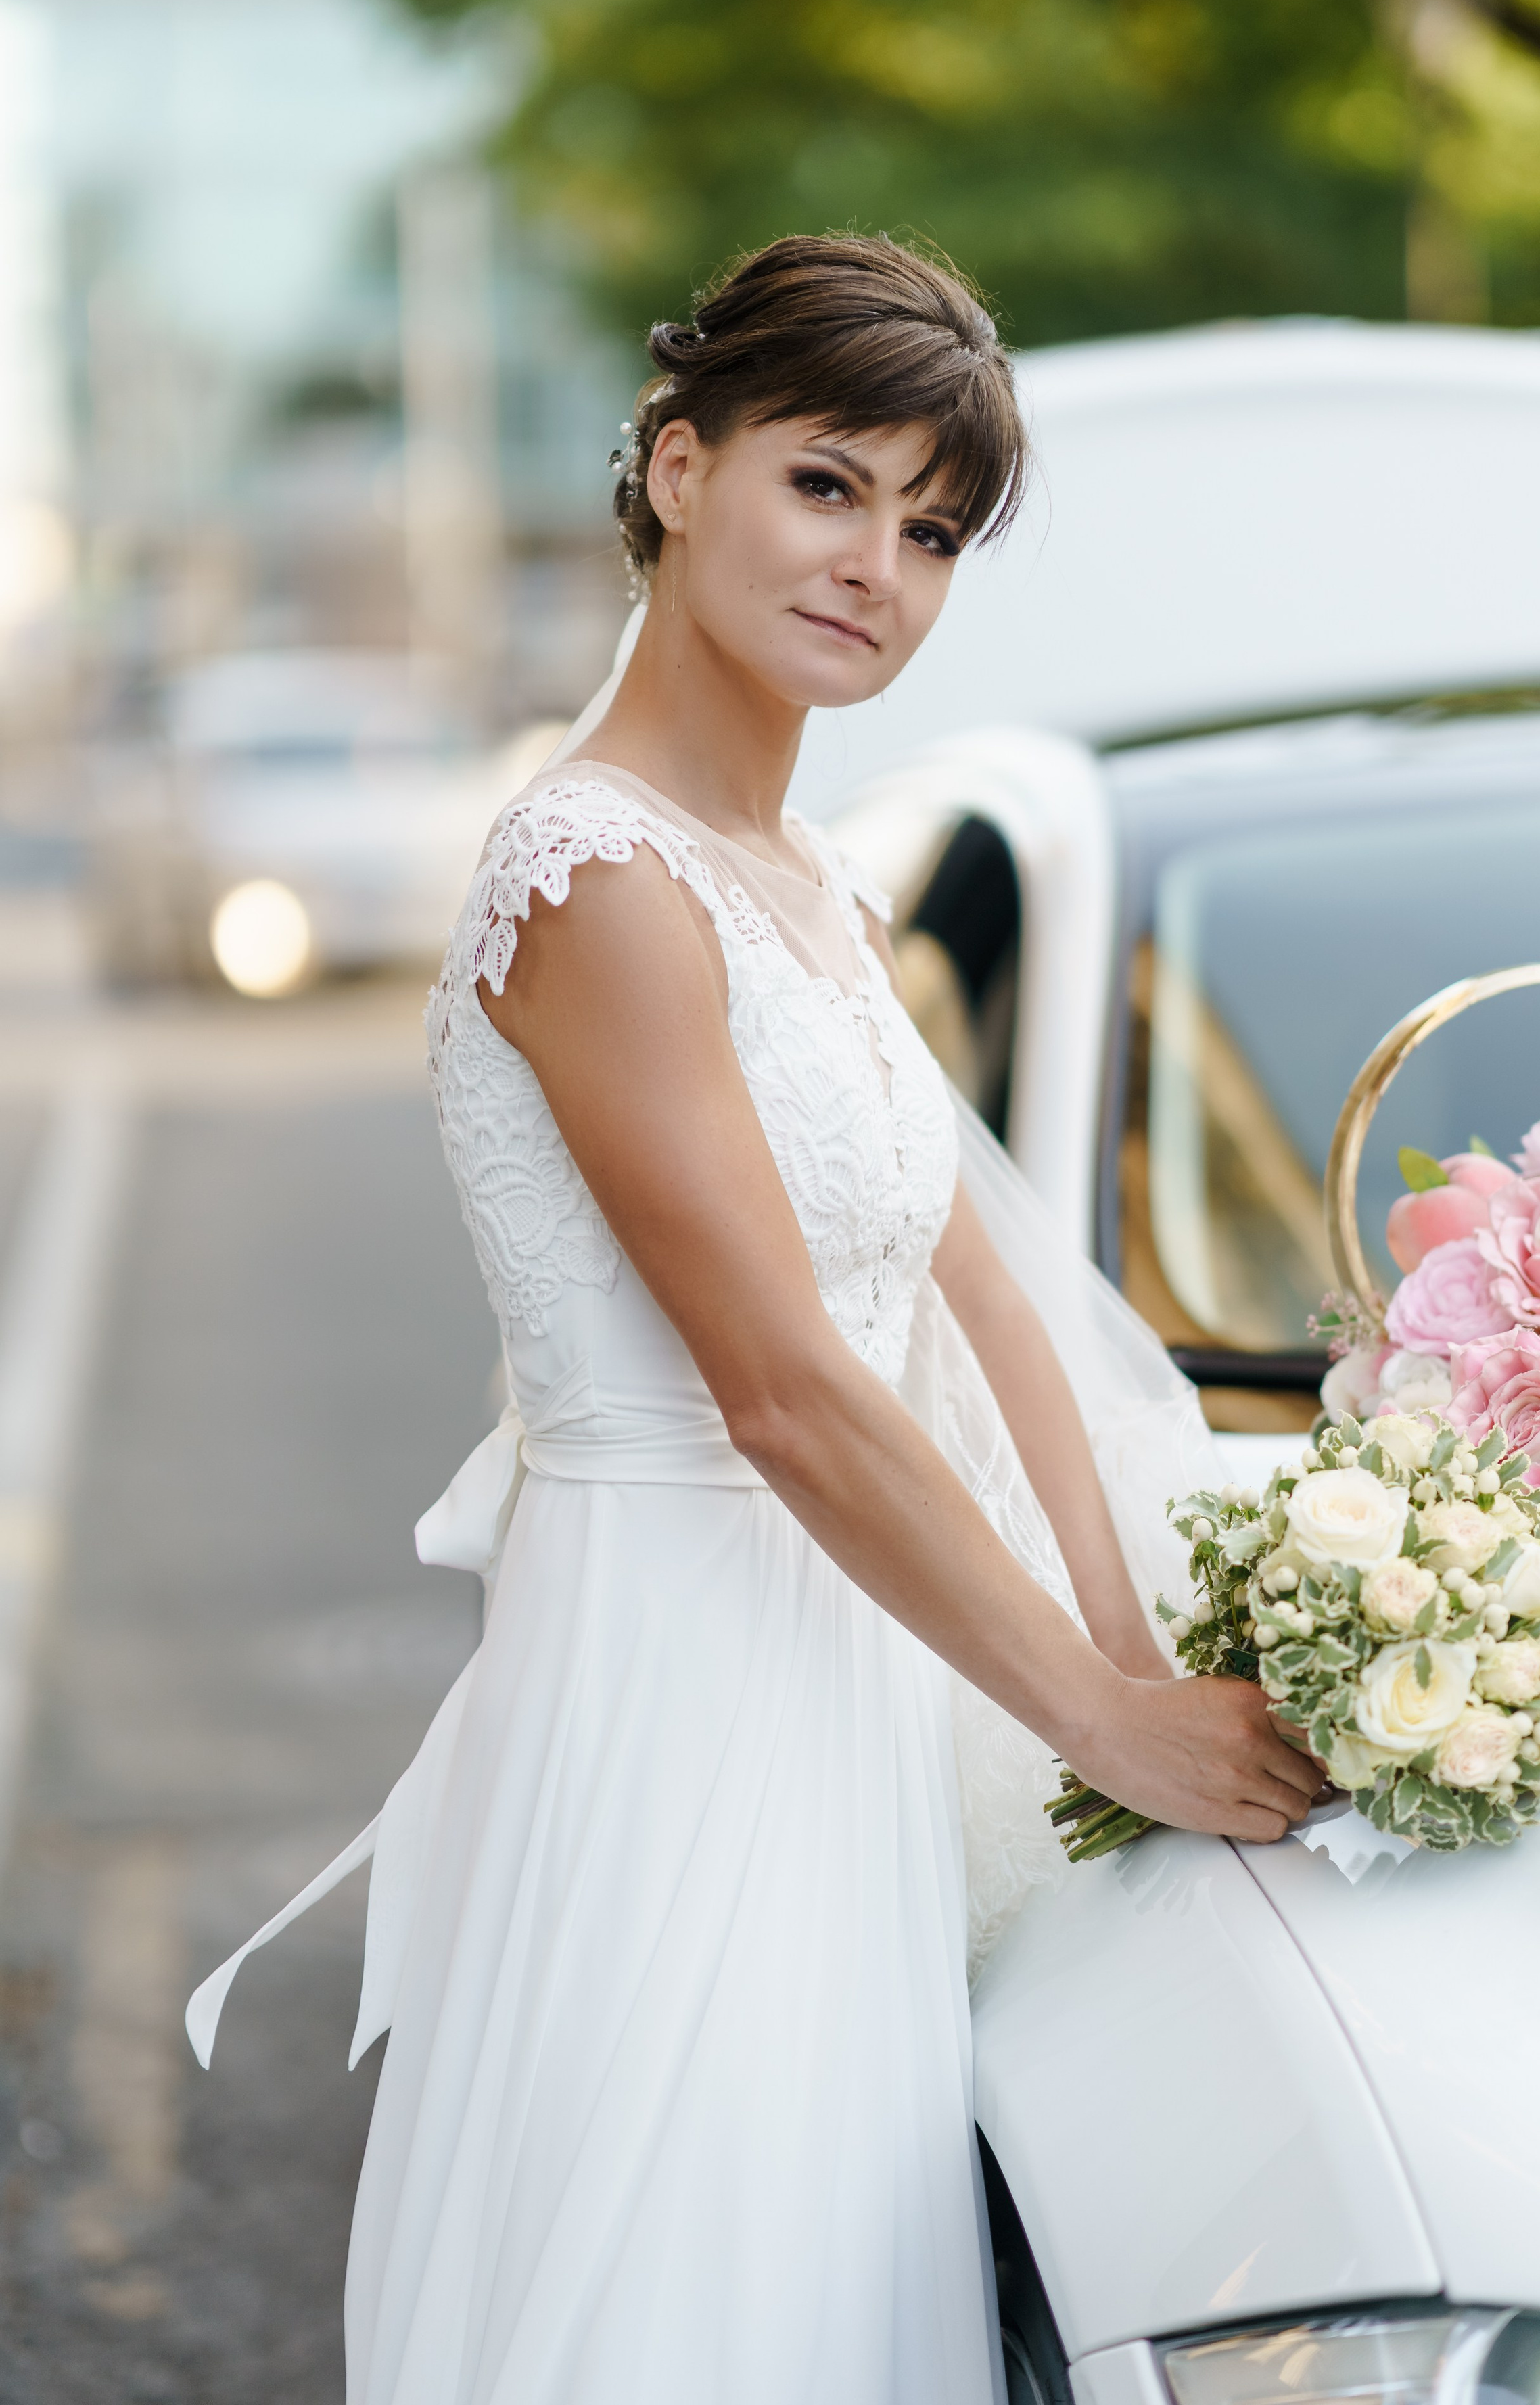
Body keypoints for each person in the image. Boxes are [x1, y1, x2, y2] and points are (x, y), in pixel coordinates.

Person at [189, 231, 1323, 2404]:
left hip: (854, 1678)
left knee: (839, 2287)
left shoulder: (807, 882)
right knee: (693, 2288)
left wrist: (1131, 1643)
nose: (878, 569)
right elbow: (793, 1394)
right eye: (830, 486)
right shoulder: (593, 881)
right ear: (678, 465)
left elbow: (982, 1287)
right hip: (675, 1676)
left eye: (933, 532)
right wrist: (1103, 1733)